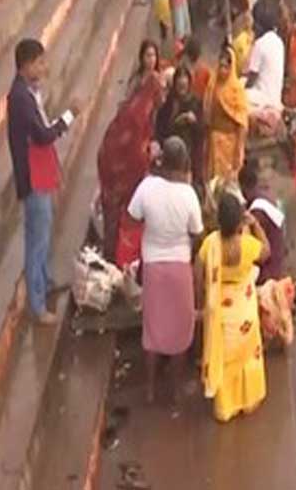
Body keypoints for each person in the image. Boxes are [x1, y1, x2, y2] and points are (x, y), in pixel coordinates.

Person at [127, 137, 204, 404]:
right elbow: (196, 232)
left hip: (153, 265)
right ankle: (175, 389)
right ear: (184, 163)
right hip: (179, 264)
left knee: (153, 327)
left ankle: (149, 389)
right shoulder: (188, 194)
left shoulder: (147, 187)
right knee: (181, 329)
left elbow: (132, 216)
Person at [6, 39, 76, 324]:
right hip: (33, 178)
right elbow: (44, 135)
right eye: (39, 62)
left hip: (41, 172)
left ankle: (44, 283)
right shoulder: (21, 98)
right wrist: (70, 115)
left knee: (43, 235)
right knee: (36, 240)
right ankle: (37, 306)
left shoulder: (29, 92)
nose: (44, 67)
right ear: (25, 65)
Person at [196, 191, 270, 421]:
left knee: (225, 360)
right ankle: (247, 400)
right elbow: (266, 251)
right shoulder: (247, 245)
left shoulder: (210, 244)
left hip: (221, 314)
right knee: (247, 356)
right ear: (240, 220)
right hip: (244, 311)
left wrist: (202, 300)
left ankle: (225, 408)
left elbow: (199, 274)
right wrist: (256, 224)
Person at [97, 65, 164, 266]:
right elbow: (135, 153)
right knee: (121, 219)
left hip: (114, 168)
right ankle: (115, 260)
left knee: (115, 217)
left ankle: (114, 257)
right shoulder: (138, 115)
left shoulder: (138, 108)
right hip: (119, 173)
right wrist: (149, 156)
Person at [154, 65, 204, 189]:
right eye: (179, 85)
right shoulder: (169, 103)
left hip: (188, 154)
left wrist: (194, 122)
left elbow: (201, 131)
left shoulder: (195, 103)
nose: (182, 89)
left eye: (184, 86)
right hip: (169, 153)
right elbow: (160, 127)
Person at [204, 46, 249, 182]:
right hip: (213, 143)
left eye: (227, 65)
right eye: (221, 64)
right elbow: (207, 113)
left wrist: (239, 151)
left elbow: (242, 122)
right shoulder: (212, 85)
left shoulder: (237, 90)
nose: (223, 69)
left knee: (227, 183)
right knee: (212, 182)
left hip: (230, 145)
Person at [246, 12, 286, 113]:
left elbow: (252, 77)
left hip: (262, 98)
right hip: (275, 97)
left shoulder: (260, 43)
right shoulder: (278, 41)